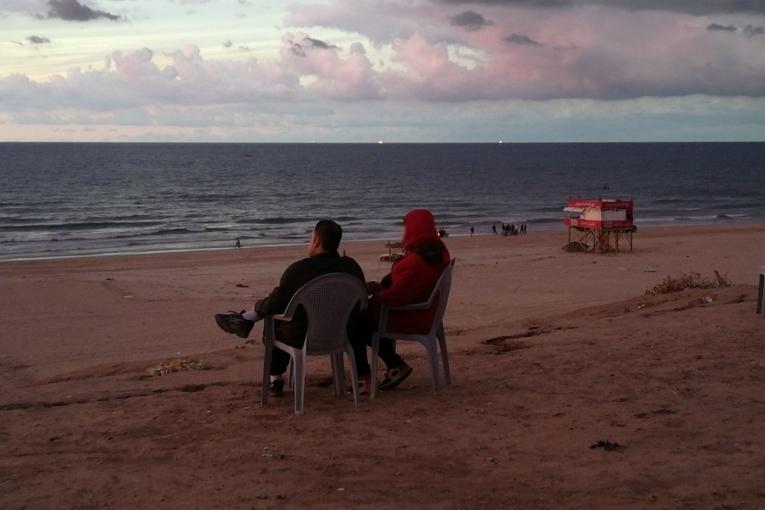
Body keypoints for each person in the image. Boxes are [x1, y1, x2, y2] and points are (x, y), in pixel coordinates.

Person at [214, 220, 366, 397]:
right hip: (342, 334)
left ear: (316, 241)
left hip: (302, 337)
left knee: (274, 322)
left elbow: (274, 305)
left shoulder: (299, 270)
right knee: (282, 310)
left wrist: (258, 306)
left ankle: (275, 377)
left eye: (310, 238)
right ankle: (246, 319)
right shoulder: (351, 267)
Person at [356, 209, 451, 391]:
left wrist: (374, 298)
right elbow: (406, 288)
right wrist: (381, 287)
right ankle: (392, 364)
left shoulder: (416, 263)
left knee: (359, 320)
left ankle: (390, 367)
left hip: (414, 316)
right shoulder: (438, 251)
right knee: (367, 317)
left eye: (405, 228)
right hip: (429, 313)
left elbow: (397, 297)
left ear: (413, 230)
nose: (403, 232)